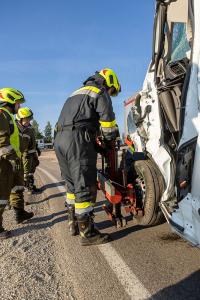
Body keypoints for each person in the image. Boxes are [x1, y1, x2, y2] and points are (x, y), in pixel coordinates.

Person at [54, 68, 121, 246]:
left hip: (59, 140)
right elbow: (107, 124)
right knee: (83, 184)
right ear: (109, 82)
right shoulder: (100, 92)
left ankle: (73, 224)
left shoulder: (74, 93)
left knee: (71, 185)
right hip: (77, 140)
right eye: (112, 90)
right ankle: (87, 233)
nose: (110, 93)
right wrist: (108, 144)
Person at [0, 88, 34, 239]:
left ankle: (19, 213)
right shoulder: (1, 114)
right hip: (5, 162)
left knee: (17, 187)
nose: (19, 107)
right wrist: (13, 158)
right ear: (10, 101)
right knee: (1, 195)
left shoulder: (8, 116)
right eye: (18, 103)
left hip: (13, 160)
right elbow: (2, 141)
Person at [16, 107, 40, 194]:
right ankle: (23, 189)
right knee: (24, 173)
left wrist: (36, 149)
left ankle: (30, 186)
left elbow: (32, 140)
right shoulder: (15, 129)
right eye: (26, 120)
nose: (28, 122)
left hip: (31, 154)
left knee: (31, 170)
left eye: (29, 119)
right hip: (22, 155)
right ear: (20, 119)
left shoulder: (30, 129)